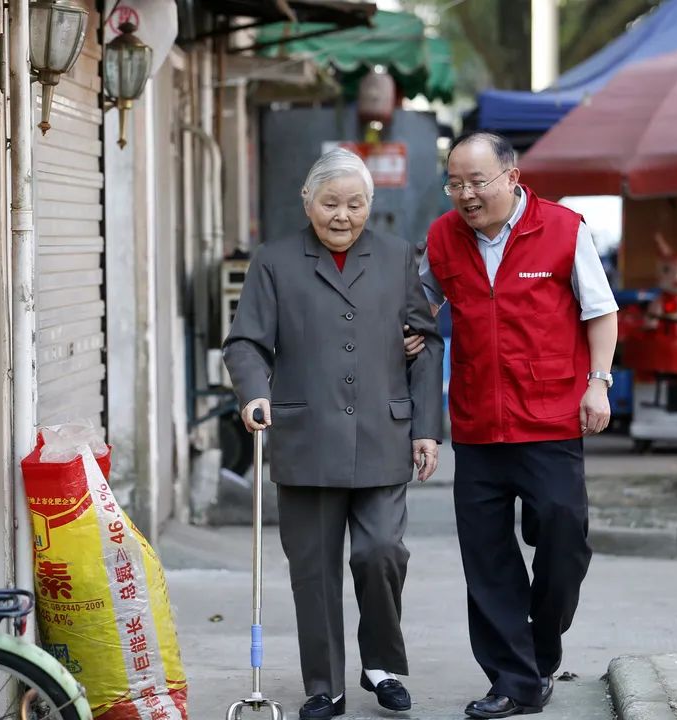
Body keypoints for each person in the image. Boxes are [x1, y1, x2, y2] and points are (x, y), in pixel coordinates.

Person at [223, 148, 444, 720]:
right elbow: (244, 342)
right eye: (331, 203)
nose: (342, 215)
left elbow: (426, 343)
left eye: (355, 203)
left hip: (382, 435)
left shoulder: (397, 258)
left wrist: (427, 429)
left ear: (371, 204)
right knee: (314, 572)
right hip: (305, 438)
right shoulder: (275, 261)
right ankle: (325, 686)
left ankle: (382, 666)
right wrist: (253, 394)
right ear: (307, 201)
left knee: (381, 553)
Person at [419, 132, 619, 718]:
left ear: (512, 175)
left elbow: (600, 310)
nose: (466, 195)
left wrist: (598, 383)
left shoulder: (562, 228)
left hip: (551, 416)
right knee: (486, 559)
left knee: (563, 537)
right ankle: (514, 680)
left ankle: (541, 643)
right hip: (478, 422)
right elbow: (418, 304)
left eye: (477, 181)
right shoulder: (442, 237)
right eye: (454, 183)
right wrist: (411, 328)